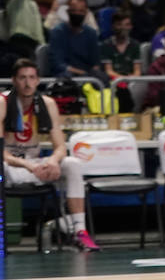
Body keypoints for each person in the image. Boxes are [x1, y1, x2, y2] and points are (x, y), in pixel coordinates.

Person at [0, 59, 101, 250]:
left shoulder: (47, 103)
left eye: (31, 78)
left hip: (37, 166)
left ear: (38, 80)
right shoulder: (2, 103)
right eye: (22, 78)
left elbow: (60, 146)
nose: (27, 83)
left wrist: (53, 161)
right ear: (14, 81)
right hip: (10, 167)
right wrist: (28, 165)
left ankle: (79, 231)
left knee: (72, 163)